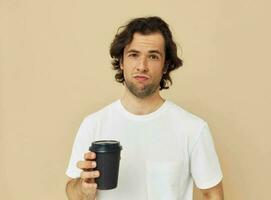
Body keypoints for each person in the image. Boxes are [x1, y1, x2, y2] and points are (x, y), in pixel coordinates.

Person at [65, 16, 224, 200]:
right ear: (122, 62)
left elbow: (212, 193)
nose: (142, 66)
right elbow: (72, 191)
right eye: (134, 55)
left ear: (165, 65)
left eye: (153, 56)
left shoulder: (193, 129)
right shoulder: (93, 125)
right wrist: (83, 190)